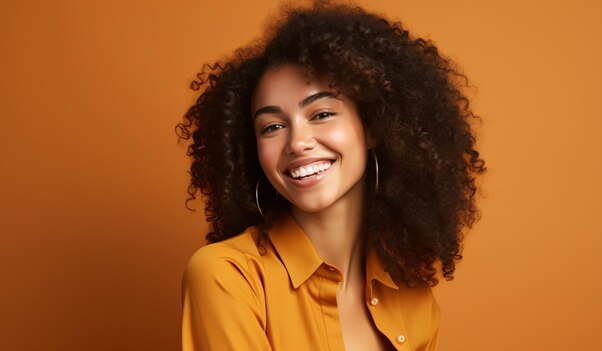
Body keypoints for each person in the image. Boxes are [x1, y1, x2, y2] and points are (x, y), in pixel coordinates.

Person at [176, 2, 485, 350]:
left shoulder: (413, 299)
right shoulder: (227, 277)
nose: (297, 142)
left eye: (321, 113)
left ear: (372, 128)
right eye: (273, 126)